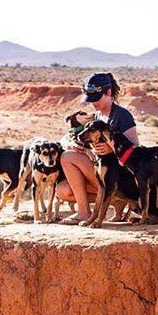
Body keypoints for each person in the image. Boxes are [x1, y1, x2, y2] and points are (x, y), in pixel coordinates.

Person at [56, 72, 139, 225]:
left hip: (118, 174)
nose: (93, 103)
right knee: (63, 190)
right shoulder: (97, 116)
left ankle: (83, 212)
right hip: (100, 169)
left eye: (96, 98)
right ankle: (117, 202)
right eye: (90, 100)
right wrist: (69, 144)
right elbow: (69, 135)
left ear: (108, 92)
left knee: (67, 157)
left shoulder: (122, 115)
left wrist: (111, 148)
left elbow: (135, 148)